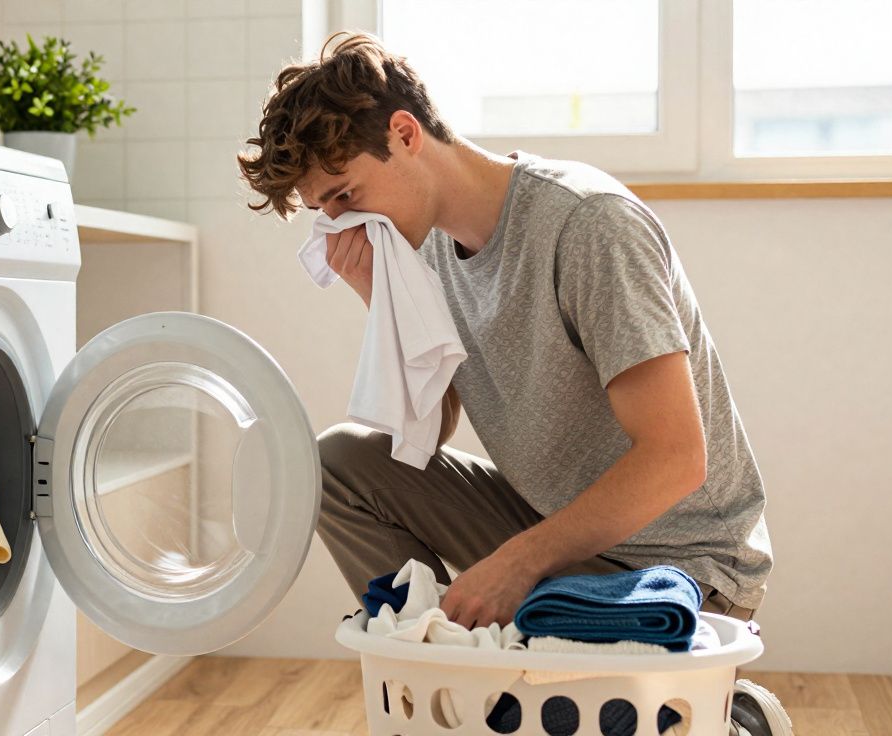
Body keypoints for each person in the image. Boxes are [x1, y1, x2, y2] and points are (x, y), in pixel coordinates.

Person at [238, 32, 791, 735]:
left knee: (563, 719)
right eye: (328, 211)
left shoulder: (587, 226)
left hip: (684, 570)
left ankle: (726, 713)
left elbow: (677, 459)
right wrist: (381, 301)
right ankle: (448, 667)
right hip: (562, 536)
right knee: (338, 463)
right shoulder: (425, 243)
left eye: (345, 195)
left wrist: (517, 563)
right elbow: (424, 435)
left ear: (404, 135)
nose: (343, 222)